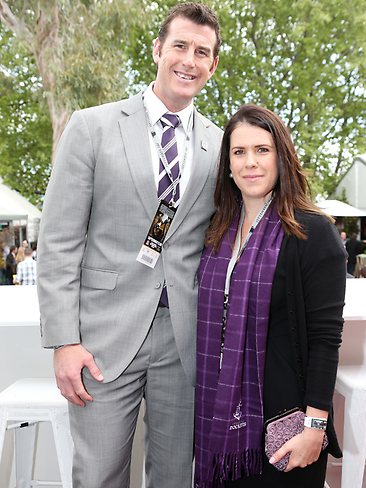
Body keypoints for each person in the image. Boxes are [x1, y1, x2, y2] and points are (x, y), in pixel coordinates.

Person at [37, 3, 221, 487]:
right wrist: (64, 341)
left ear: (213, 65)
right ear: (158, 49)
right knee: (98, 476)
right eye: (180, 45)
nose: (189, 59)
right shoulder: (91, 126)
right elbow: (58, 240)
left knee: (177, 478)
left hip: (185, 340)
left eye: (202, 52)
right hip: (101, 339)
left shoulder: (220, 147)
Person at [194, 105, 347, 488]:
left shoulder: (312, 233)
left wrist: (315, 427)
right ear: (227, 165)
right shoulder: (216, 233)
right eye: (239, 152)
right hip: (222, 418)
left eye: (262, 150)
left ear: (281, 156)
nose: (251, 163)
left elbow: (326, 341)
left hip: (285, 423)